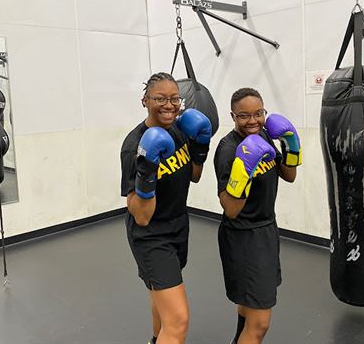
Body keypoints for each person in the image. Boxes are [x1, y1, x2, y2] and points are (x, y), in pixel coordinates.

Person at [120, 72, 212, 344]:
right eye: (160, 98)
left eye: (174, 99)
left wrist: (200, 146)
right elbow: (141, 215)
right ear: (145, 100)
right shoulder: (134, 145)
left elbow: (194, 175)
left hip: (178, 226)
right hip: (151, 236)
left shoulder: (180, 131)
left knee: (159, 296)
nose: (169, 105)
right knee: (178, 321)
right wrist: (147, 170)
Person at [213, 88, 302, 344]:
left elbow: (289, 176)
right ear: (233, 116)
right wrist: (243, 173)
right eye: (244, 116)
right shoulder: (228, 149)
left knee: (248, 306)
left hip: (266, 230)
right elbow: (231, 210)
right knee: (260, 322)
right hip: (242, 237)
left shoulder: (262, 136)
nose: (253, 121)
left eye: (258, 113)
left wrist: (290, 145)